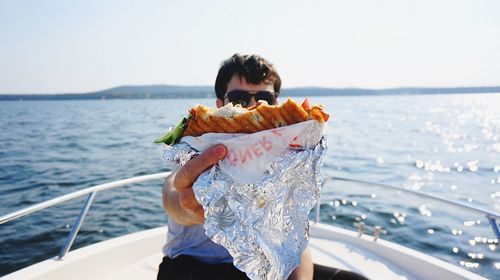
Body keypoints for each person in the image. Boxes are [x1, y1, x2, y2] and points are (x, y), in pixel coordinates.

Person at [157, 54, 368, 280]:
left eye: (264, 97)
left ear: (276, 104)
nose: (252, 106)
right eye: (238, 98)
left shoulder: (287, 157)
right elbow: (173, 190)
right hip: (191, 265)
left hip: (259, 270)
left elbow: (294, 237)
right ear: (220, 105)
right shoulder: (199, 145)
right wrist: (186, 204)